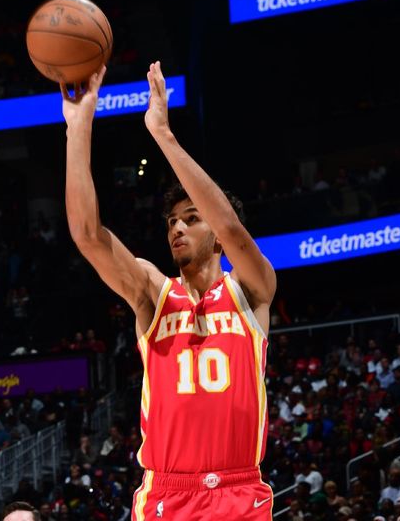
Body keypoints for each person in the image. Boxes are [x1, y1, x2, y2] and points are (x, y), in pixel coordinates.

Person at [63, 62, 276, 520]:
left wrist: (162, 134)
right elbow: (86, 235)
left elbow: (234, 229)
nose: (177, 227)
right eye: (172, 221)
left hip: (239, 491)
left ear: (215, 234)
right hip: (167, 495)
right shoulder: (152, 293)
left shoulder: (252, 292)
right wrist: (77, 128)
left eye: (191, 218)